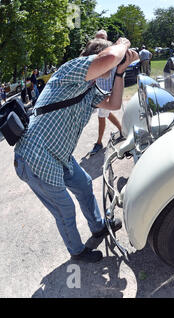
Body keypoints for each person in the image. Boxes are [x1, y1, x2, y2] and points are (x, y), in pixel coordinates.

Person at [13, 37, 139, 263]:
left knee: (84, 185)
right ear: (95, 58)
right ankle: (77, 251)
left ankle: (99, 227)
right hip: (36, 156)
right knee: (65, 209)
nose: (109, 68)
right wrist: (122, 44)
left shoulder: (89, 89)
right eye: (108, 65)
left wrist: (120, 73)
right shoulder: (71, 69)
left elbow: (114, 104)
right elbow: (111, 56)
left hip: (59, 155)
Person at [89, 30, 123, 155]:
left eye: (102, 38)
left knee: (101, 116)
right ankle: (122, 130)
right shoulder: (94, 54)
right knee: (105, 114)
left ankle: (99, 143)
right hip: (98, 90)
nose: (100, 41)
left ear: (107, 39)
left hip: (107, 90)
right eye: (97, 38)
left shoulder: (111, 51)